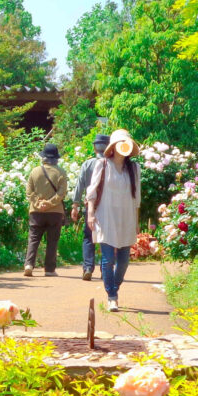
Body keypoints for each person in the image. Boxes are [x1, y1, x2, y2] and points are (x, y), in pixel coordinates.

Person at [86, 129, 141, 312]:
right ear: (114, 147)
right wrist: (91, 214)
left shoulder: (134, 168)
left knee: (124, 261)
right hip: (105, 216)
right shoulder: (102, 165)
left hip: (126, 218)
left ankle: (114, 287)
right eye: (121, 143)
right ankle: (112, 296)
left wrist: (137, 221)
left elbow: (136, 198)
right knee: (108, 259)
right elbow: (92, 192)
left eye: (127, 144)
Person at [70, 134, 110, 280]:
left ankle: (88, 267)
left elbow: (79, 186)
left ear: (94, 148)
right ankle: (105, 269)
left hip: (91, 206)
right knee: (107, 238)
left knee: (88, 237)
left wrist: (75, 205)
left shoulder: (87, 164)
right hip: (109, 206)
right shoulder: (112, 164)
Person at [24, 144, 67, 277]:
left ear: (43, 157)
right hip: (55, 212)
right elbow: (62, 193)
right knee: (52, 240)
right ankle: (49, 269)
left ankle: (29, 264)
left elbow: (29, 191)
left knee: (34, 238)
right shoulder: (61, 172)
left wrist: (38, 204)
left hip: (36, 212)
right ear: (56, 158)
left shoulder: (34, 171)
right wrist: (49, 203)